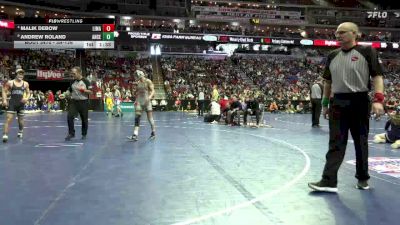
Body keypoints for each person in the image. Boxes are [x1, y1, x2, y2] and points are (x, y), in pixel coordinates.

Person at [308, 22, 384, 192]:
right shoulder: (332, 55)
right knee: (335, 143)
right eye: (336, 32)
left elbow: (377, 76)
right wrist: (326, 104)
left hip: (360, 101)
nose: (337, 35)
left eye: (342, 32)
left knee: (360, 142)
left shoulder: (367, 51)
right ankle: (329, 181)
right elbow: (327, 82)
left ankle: (363, 178)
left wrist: (378, 99)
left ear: (355, 34)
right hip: (338, 102)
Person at [2, 68, 30, 142]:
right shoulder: (10, 82)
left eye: (22, 74)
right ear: (16, 74)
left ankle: (20, 131)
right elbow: (4, 91)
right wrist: (4, 100)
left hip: (21, 104)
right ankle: (5, 135)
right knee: (9, 119)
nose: (21, 75)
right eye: (19, 74)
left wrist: (26, 98)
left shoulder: (26, 83)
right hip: (12, 103)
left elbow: (28, 92)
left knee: (20, 121)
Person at [65, 66, 92, 141]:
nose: (72, 75)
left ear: (79, 73)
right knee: (69, 116)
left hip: (84, 102)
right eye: (72, 74)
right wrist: (64, 94)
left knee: (84, 119)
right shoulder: (72, 81)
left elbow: (91, 91)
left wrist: (83, 90)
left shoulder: (86, 81)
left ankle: (84, 134)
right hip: (74, 102)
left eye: (74, 73)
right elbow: (69, 90)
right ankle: (71, 133)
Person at [127, 69, 155, 141]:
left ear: (140, 75)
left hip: (147, 102)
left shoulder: (148, 81)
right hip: (140, 101)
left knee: (150, 119)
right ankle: (135, 135)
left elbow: (153, 91)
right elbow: (138, 93)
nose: (136, 78)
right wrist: (136, 100)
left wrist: (149, 98)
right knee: (137, 118)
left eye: (137, 76)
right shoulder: (138, 83)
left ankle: (153, 133)